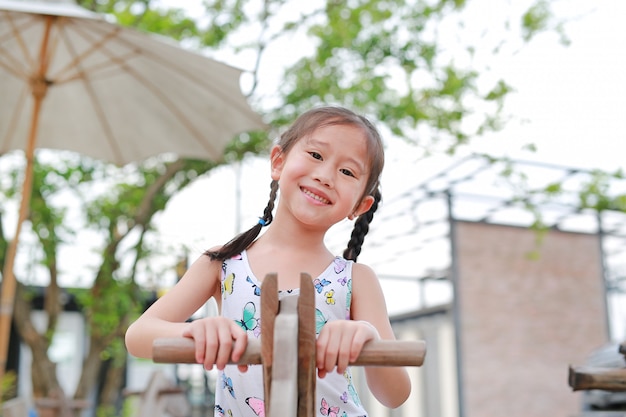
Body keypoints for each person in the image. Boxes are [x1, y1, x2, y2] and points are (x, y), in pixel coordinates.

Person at [125, 106, 411, 416]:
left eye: (347, 172)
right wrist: (197, 332)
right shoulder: (222, 263)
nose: (326, 176)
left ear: (361, 205)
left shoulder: (356, 279)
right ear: (278, 161)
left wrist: (368, 338)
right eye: (316, 155)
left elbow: (394, 395)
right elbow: (139, 336)